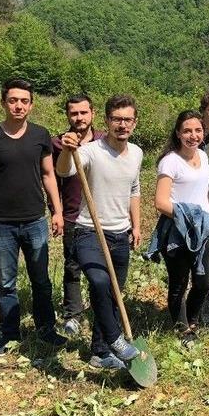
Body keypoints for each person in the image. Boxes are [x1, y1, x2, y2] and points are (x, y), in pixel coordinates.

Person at [0, 78, 67, 357]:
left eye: (24, 101)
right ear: (3, 103)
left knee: (41, 280)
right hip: (1, 223)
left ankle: (46, 329)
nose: (19, 106)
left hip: (35, 220)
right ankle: (9, 334)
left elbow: (48, 174)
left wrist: (57, 211)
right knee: (6, 282)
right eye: (13, 100)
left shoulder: (40, 135)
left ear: (31, 105)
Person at [55, 94, 143, 370]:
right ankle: (115, 338)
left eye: (127, 119)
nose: (122, 124)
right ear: (106, 120)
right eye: (116, 119)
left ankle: (100, 352)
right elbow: (64, 170)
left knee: (114, 294)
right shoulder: (91, 151)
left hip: (121, 234)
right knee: (99, 282)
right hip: (89, 231)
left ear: (134, 122)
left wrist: (137, 225)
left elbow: (134, 189)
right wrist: (67, 150)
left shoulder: (137, 153)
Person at [154, 110, 209, 344]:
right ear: (178, 133)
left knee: (204, 281)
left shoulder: (203, 156)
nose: (193, 135)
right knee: (179, 282)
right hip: (178, 230)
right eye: (187, 131)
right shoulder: (170, 161)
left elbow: (204, 193)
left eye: (198, 130)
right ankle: (182, 328)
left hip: (204, 228)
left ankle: (192, 317)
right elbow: (160, 202)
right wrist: (188, 217)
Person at [51, 94, 105, 337]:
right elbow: (52, 181)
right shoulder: (58, 144)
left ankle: (101, 310)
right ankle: (73, 314)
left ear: (93, 113)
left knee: (101, 267)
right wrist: (56, 212)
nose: (79, 117)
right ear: (67, 116)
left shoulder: (105, 142)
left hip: (103, 215)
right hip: (73, 215)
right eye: (74, 113)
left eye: (84, 112)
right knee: (72, 265)